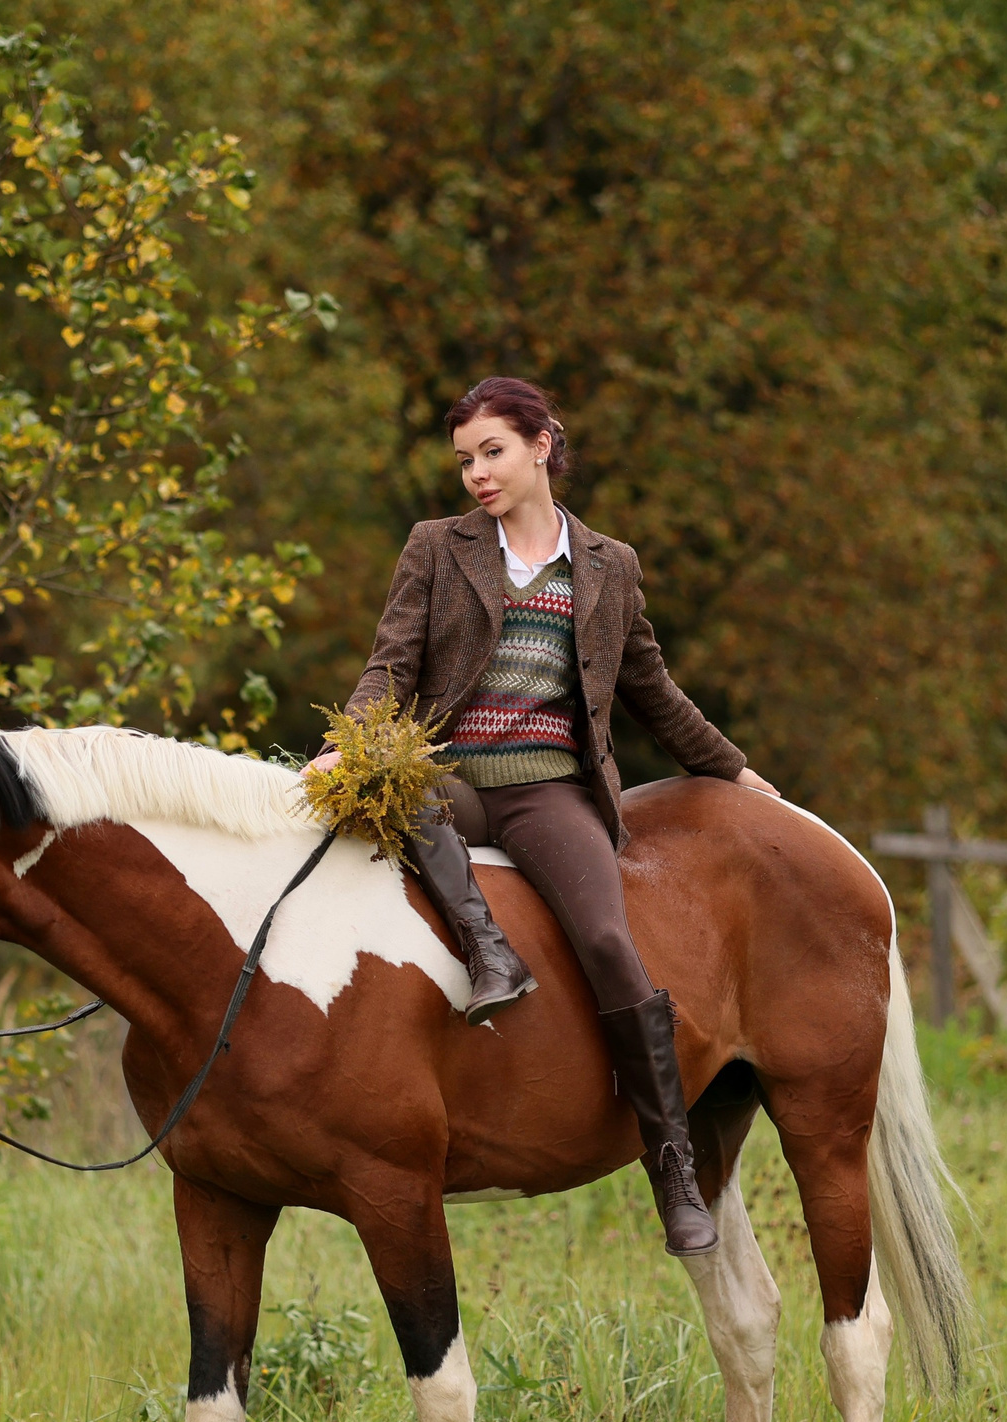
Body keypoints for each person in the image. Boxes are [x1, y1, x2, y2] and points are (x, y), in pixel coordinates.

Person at [306, 376, 779, 1256]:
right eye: (463, 461)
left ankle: (672, 1163)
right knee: (398, 791)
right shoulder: (436, 548)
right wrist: (353, 740)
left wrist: (734, 771)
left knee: (607, 939)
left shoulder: (609, 566)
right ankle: (490, 951)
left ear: (540, 446)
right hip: (448, 777)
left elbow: (655, 695)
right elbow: (389, 666)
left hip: (548, 789)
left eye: (492, 453)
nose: (476, 475)